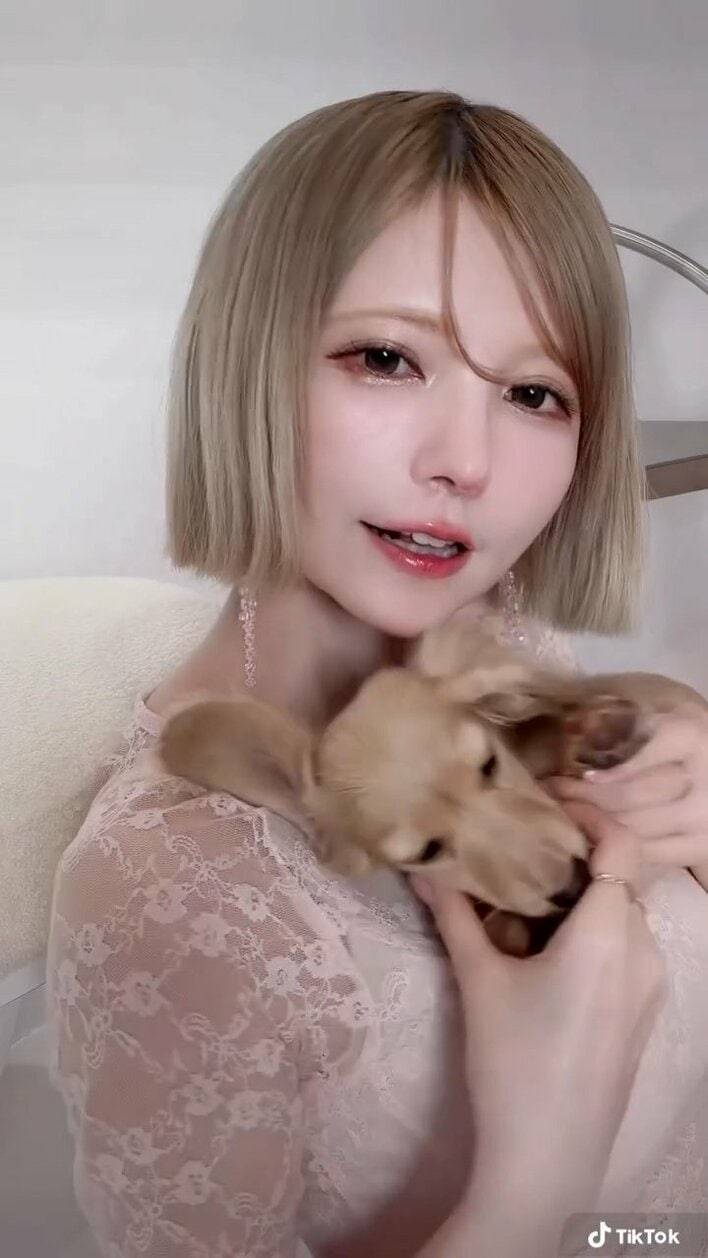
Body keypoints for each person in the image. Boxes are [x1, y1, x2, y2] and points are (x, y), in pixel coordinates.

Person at [46, 91, 708, 1258]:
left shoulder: (505, 638)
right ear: (248, 363)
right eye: (388, 358)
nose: (465, 461)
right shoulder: (167, 889)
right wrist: (541, 1167)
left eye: (534, 394)